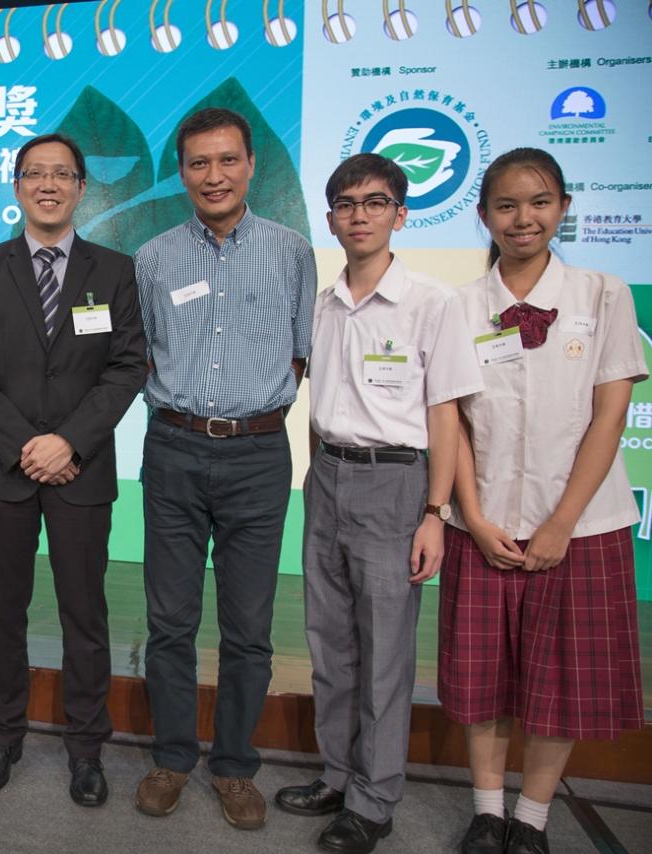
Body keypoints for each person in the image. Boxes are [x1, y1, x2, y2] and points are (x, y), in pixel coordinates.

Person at [273, 154, 483, 854]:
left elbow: (446, 414)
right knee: (329, 645)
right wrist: (315, 475)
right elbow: (316, 402)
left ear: (401, 214)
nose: (358, 215)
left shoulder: (431, 302)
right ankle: (337, 775)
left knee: (385, 654)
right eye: (345, 204)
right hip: (327, 478)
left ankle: (374, 798)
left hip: (396, 485)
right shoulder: (322, 303)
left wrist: (435, 513)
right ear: (331, 219)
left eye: (374, 202)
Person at [440, 147, 646, 854]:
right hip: (485, 522)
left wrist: (561, 523)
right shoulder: (461, 305)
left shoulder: (603, 294)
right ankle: (487, 810)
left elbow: (609, 417)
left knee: (561, 681)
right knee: (483, 678)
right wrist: (472, 515)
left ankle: (531, 818)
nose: (522, 218)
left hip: (582, 525)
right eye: (506, 205)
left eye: (538, 202)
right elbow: (453, 421)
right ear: (483, 215)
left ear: (563, 208)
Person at [0, 132, 147, 806]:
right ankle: (2, 736)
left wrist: (69, 442)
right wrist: (27, 446)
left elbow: (127, 366)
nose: (49, 185)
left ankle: (86, 748)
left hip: (80, 469)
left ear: (82, 188)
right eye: (36, 173)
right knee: (4, 611)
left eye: (62, 174)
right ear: (17, 187)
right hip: (4, 470)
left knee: (83, 613)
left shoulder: (115, 270)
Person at [134, 107, 316, 830]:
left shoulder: (291, 251)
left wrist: (249, 417)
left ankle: (236, 766)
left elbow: (300, 353)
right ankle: (172, 758)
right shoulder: (152, 259)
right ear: (182, 173)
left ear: (251, 166)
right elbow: (145, 354)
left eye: (227, 160)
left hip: (259, 455)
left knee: (248, 628)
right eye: (199, 163)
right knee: (170, 622)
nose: (214, 176)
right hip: (173, 449)